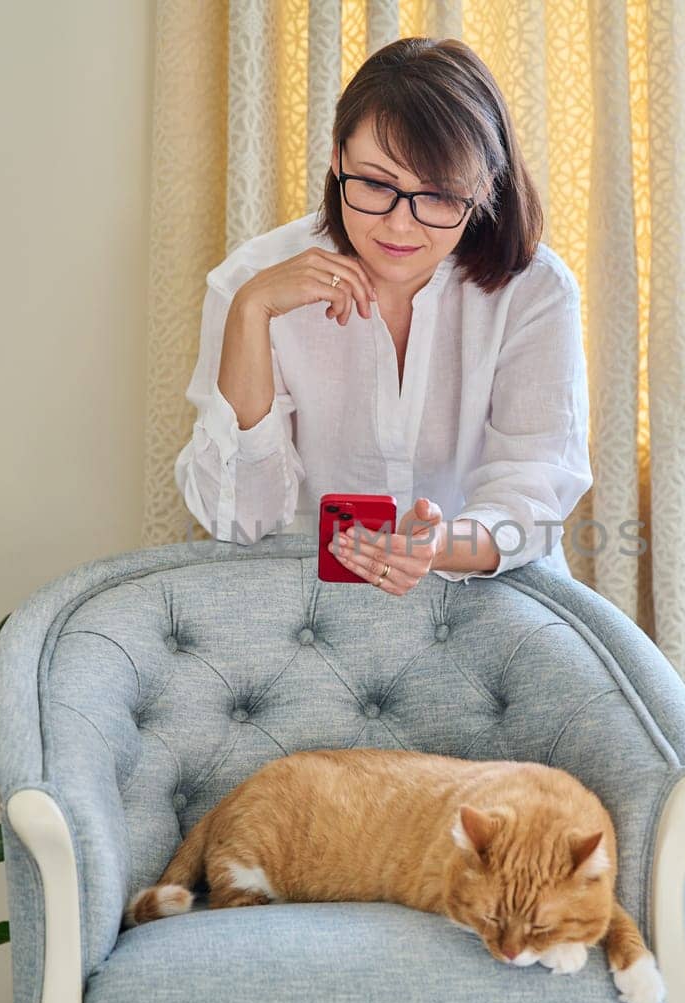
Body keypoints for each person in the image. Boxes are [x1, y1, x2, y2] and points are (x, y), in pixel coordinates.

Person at [174, 36, 591, 594]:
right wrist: (250, 313)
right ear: (336, 157)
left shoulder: (535, 290)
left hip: (484, 597)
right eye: (375, 184)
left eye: (439, 196)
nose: (400, 226)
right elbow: (239, 518)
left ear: (485, 186)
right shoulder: (248, 283)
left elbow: (533, 495)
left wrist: (438, 548)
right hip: (308, 607)